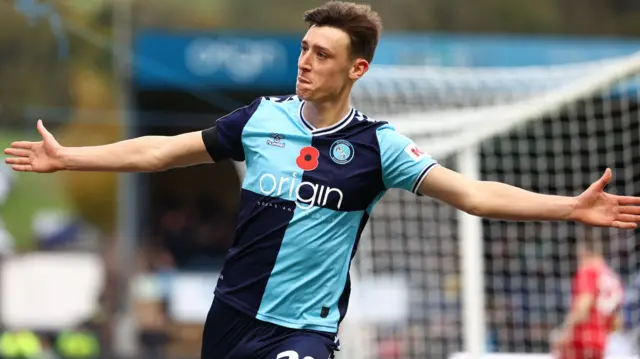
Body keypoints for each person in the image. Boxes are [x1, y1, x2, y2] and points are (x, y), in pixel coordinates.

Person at [5, 1, 640, 358]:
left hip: (302, 329)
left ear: (356, 68)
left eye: (322, 54)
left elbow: (472, 194)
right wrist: (72, 158)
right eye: (304, 48)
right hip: (228, 320)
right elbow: (162, 152)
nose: (305, 62)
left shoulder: (379, 145)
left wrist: (568, 207)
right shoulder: (261, 119)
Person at [552, 235, 624, 359]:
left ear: (585, 254)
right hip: (601, 343)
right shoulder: (613, 278)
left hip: (581, 341)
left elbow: (583, 307)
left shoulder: (588, 271)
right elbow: (616, 322)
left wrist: (564, 332)